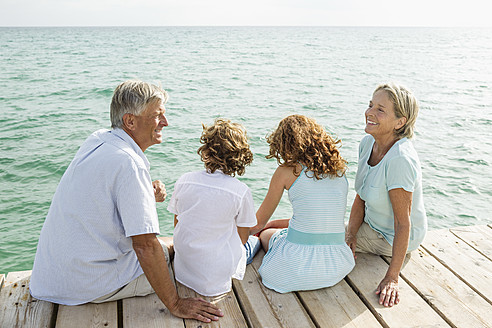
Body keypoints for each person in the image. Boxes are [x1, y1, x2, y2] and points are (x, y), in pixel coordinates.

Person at [30, 80, 223, 323]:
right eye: (157, 115)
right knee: (178, 253)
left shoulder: (99, 140)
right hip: (82, 285)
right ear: (130, 121)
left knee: (170, 246)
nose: (165, 122)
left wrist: (144, 195)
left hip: (51, 276)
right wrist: (175, 303)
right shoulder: (129, 163)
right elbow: (144, 246)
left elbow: (100, 199)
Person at [250, 114, 355, 293]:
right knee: (277, 228)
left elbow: (258, 223)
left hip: (296, 270)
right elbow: (314, 218)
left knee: (266, 234)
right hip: (335, 265)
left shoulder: (287, 171)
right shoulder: (338, 170)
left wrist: (232, 237)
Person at [345, 83, 427, 307]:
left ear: (400, 122)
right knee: (321, 231)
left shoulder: (400, 159)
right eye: (371, 105)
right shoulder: (368, 143)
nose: (369, 112)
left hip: (392, 238)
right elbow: (360, 197)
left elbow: (403, 223)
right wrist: (350, 235)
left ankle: (262, 235)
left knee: (320, 238)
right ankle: (263, 230)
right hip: (371, 225)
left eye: (380, 109)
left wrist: (392, 277)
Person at [167, 118, 257, 296]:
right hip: (215, 278)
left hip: (184, 269)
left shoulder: (185, 180)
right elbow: (243, 238)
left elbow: (177, 223)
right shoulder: (240, 191)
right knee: (255, 242)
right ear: (239, 157)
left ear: (206, 152)